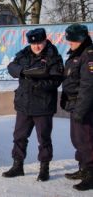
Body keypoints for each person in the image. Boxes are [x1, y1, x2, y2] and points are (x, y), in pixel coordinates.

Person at [2, 28, 64, 181]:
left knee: (43, 138)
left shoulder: (53, 57)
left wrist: (38, 84)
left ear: (45, 40)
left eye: (39, 43)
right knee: (19, 136)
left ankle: (44, 168)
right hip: (24, 104)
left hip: (43, 105)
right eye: (33, 43)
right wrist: (23, 71)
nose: (36, 46)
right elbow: (11, 67)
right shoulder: (24, 54)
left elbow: (56, 80)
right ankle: (18, 166)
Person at [60, 23, 93, 191]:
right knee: (78, 139)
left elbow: (88, 86)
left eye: (72, 40)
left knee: (86, 141)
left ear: (80, 39)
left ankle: (91, 174)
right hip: (75, 104)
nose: (69, 43)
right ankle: (83, 168)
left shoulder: (88, 55)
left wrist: (81, 110)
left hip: (84, 107)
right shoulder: (77, 53)